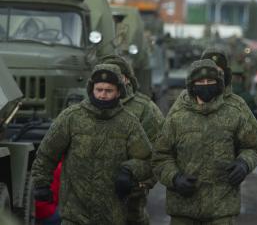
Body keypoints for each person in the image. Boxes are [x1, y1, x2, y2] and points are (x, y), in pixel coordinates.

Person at [31, 63, 153, 225]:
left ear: (118, 92)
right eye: (99, 90)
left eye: (108, 91)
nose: (102, 95)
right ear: (91, 90)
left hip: (113, 213)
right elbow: (47, 153)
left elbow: (146, 159)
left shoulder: (129, 123)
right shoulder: (71, 117)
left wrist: (129, 170)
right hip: (75, 213)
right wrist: (41, 183)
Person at [153, 59, 257, 225]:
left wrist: (244, 163)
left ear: (219, 84)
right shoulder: (177, 116)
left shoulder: (233, 113)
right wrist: (175, 178)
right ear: (192, 85)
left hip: (222, 208)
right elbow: (160, 156)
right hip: (183, 209)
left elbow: (252, 147)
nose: (205, 85)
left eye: (210, 81)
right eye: (200, 82)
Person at [100, 54, 165, 225]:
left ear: (127, 79)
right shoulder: (87, 107)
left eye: (117, 74)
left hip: (130, 192)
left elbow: (159, 149)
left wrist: (144, 182)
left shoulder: (145, 108)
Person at [168, 47, 257, 149]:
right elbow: (165, 145)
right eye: (211, 72)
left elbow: (256, 140)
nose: (216, 76)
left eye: (219, 72)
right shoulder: (184, 101)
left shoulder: (237, 103)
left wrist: (243, 160)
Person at [35, 161, 62, 225]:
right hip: (47, 212)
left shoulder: (40, 166)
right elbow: (60, 197)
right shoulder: (61, 169)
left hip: (35, 210)